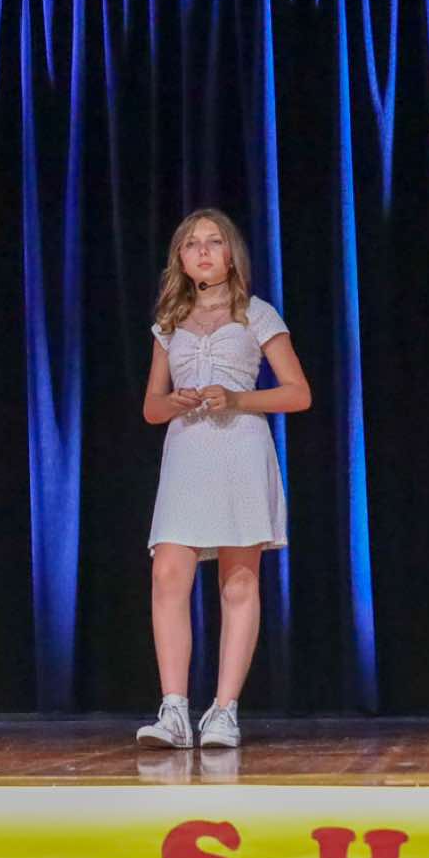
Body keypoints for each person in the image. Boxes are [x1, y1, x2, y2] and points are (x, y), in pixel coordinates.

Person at [138, 208, 311, 749]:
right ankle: (174, 711)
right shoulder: (169, 322)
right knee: (168, 572)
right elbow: (150, 408)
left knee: (238, 580)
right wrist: (175, 401)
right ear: (181, 259)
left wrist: (236, 398)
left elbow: (298, 393)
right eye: (192, 244)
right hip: (187, 452)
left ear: (232, 254)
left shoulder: (257, 314)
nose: (204, 251)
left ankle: (223, 711)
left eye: (214, 241)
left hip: (240, 448)